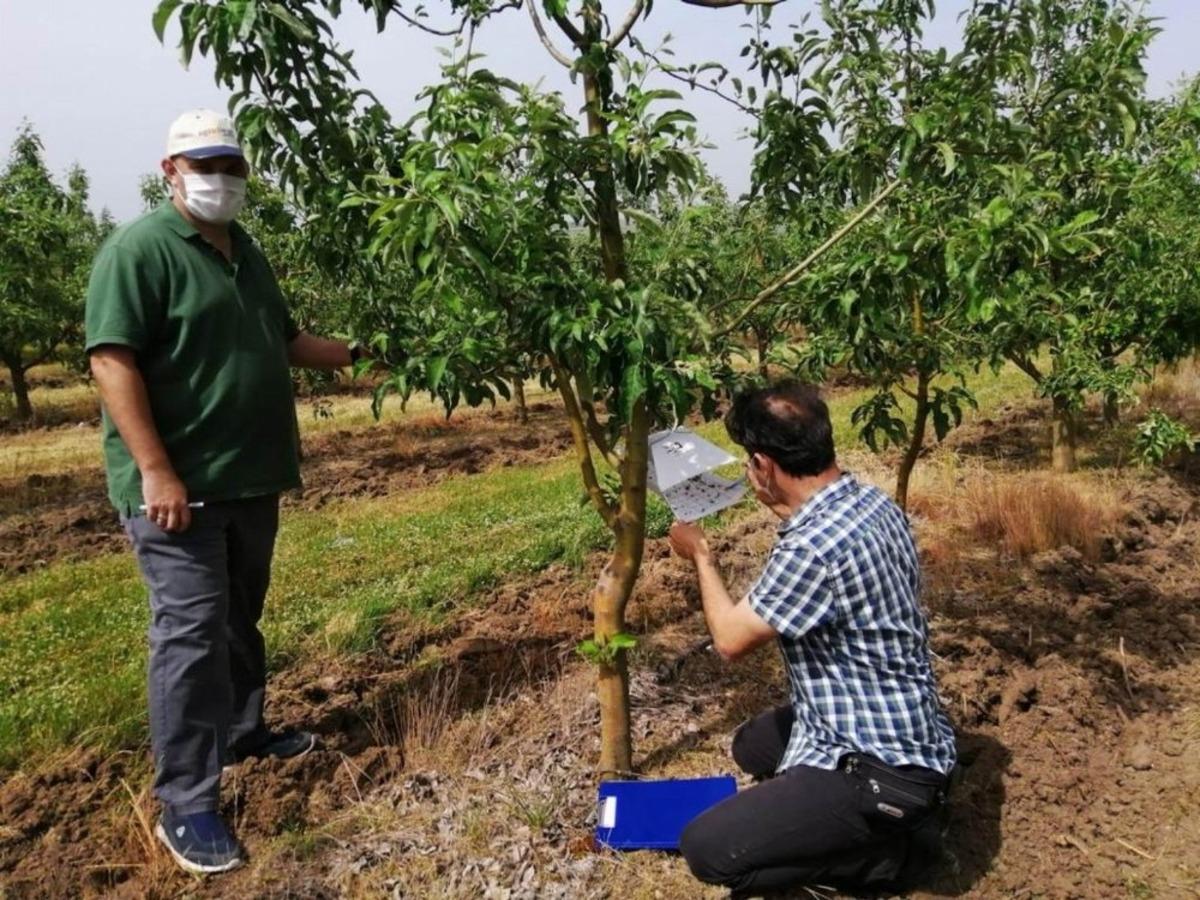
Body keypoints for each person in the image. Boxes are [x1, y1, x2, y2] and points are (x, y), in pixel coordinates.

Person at [85, 110, 365, 874]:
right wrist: (156, 469)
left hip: (251, 476)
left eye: (232, 167)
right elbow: (111, 361)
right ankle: (186, 801)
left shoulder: (244, 252)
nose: (221, 180)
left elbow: (285, 340)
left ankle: (244, 731)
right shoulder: (139, 251)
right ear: (170, 169)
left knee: (239, 618)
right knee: (190, 636)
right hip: (181, 486)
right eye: (204, 165)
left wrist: (367, 354)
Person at [668, 381, 957, 896]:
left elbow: (731, 641)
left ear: (762, 464)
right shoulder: (868, 501)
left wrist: (702, 557)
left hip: (883, 768)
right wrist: (780, 507)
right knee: (752, 747)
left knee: (708, 851)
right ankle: (844, 818)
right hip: (899, 721)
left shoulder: (811, 548)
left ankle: (883, 857)